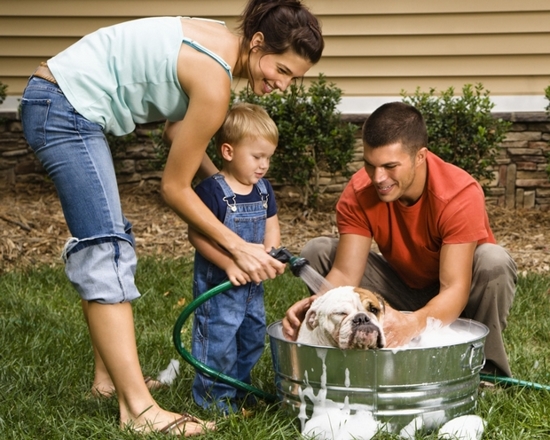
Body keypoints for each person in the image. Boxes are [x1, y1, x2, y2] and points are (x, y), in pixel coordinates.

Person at [20, 0, 324, 435]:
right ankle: (139, 412)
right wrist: (238, 247)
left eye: (294, 78)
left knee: (109, 240)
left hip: (56, 100)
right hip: (62, 109)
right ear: (258, 43)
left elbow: (176, 131)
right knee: (105, 248)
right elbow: (173, 188)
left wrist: (221, 184)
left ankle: (107, 385)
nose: (283, 84)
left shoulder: (216, 40)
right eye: (283, 70)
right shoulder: (216, 80)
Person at [282, 102, 517, 377]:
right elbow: (346, 272)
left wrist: (412, 324)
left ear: (420, 157)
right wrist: (316, 305)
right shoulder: (360, 191)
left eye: (390, 166)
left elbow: (454, 288)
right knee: (319, 250)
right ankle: (343, 357)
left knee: (493, 260)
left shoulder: (458, 193)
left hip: (458, 298)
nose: (378, 178)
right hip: (400, 288)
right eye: (370, 165)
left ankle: (486, 371)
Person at [189, 102, 280, 414]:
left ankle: (239, 389)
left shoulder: (263, 190)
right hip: (221, 287)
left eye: (268, 157)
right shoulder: (212, 192)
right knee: (219, 342)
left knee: (252, 338)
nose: (264, 165)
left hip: (252, 288)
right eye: (257, 157)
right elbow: (197, 236)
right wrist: (228, 263)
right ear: (228, 152)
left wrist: (272, 254)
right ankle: (215, 400)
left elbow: (272, 227)